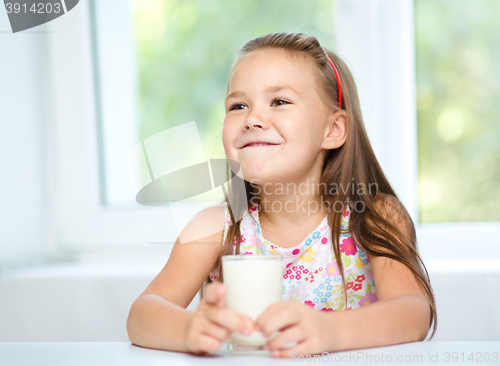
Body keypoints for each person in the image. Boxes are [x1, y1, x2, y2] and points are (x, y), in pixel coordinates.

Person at [127, 32, 437, 358]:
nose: (252, 119)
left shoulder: (375, 216)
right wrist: (189, 330)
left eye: (279, 101)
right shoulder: (215, 227)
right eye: (238, 105)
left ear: (332, 130)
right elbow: (142, 315)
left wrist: (330, 331)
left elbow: (414, 314)